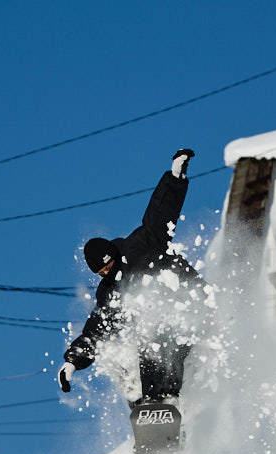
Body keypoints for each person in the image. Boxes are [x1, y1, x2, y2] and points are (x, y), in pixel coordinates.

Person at [57, 148, 212, 405]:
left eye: (106, 267)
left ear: (112, 255)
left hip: (192, 307)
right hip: (159, 324)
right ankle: (148, 410)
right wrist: (72, 361)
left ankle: (164, 401)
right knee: (135, 355)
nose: (105, 273)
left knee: (159, 337)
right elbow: (98, 328)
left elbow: (161, 214)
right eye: (100, 273)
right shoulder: (110, 291)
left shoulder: (142, 245)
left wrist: (175, 178)